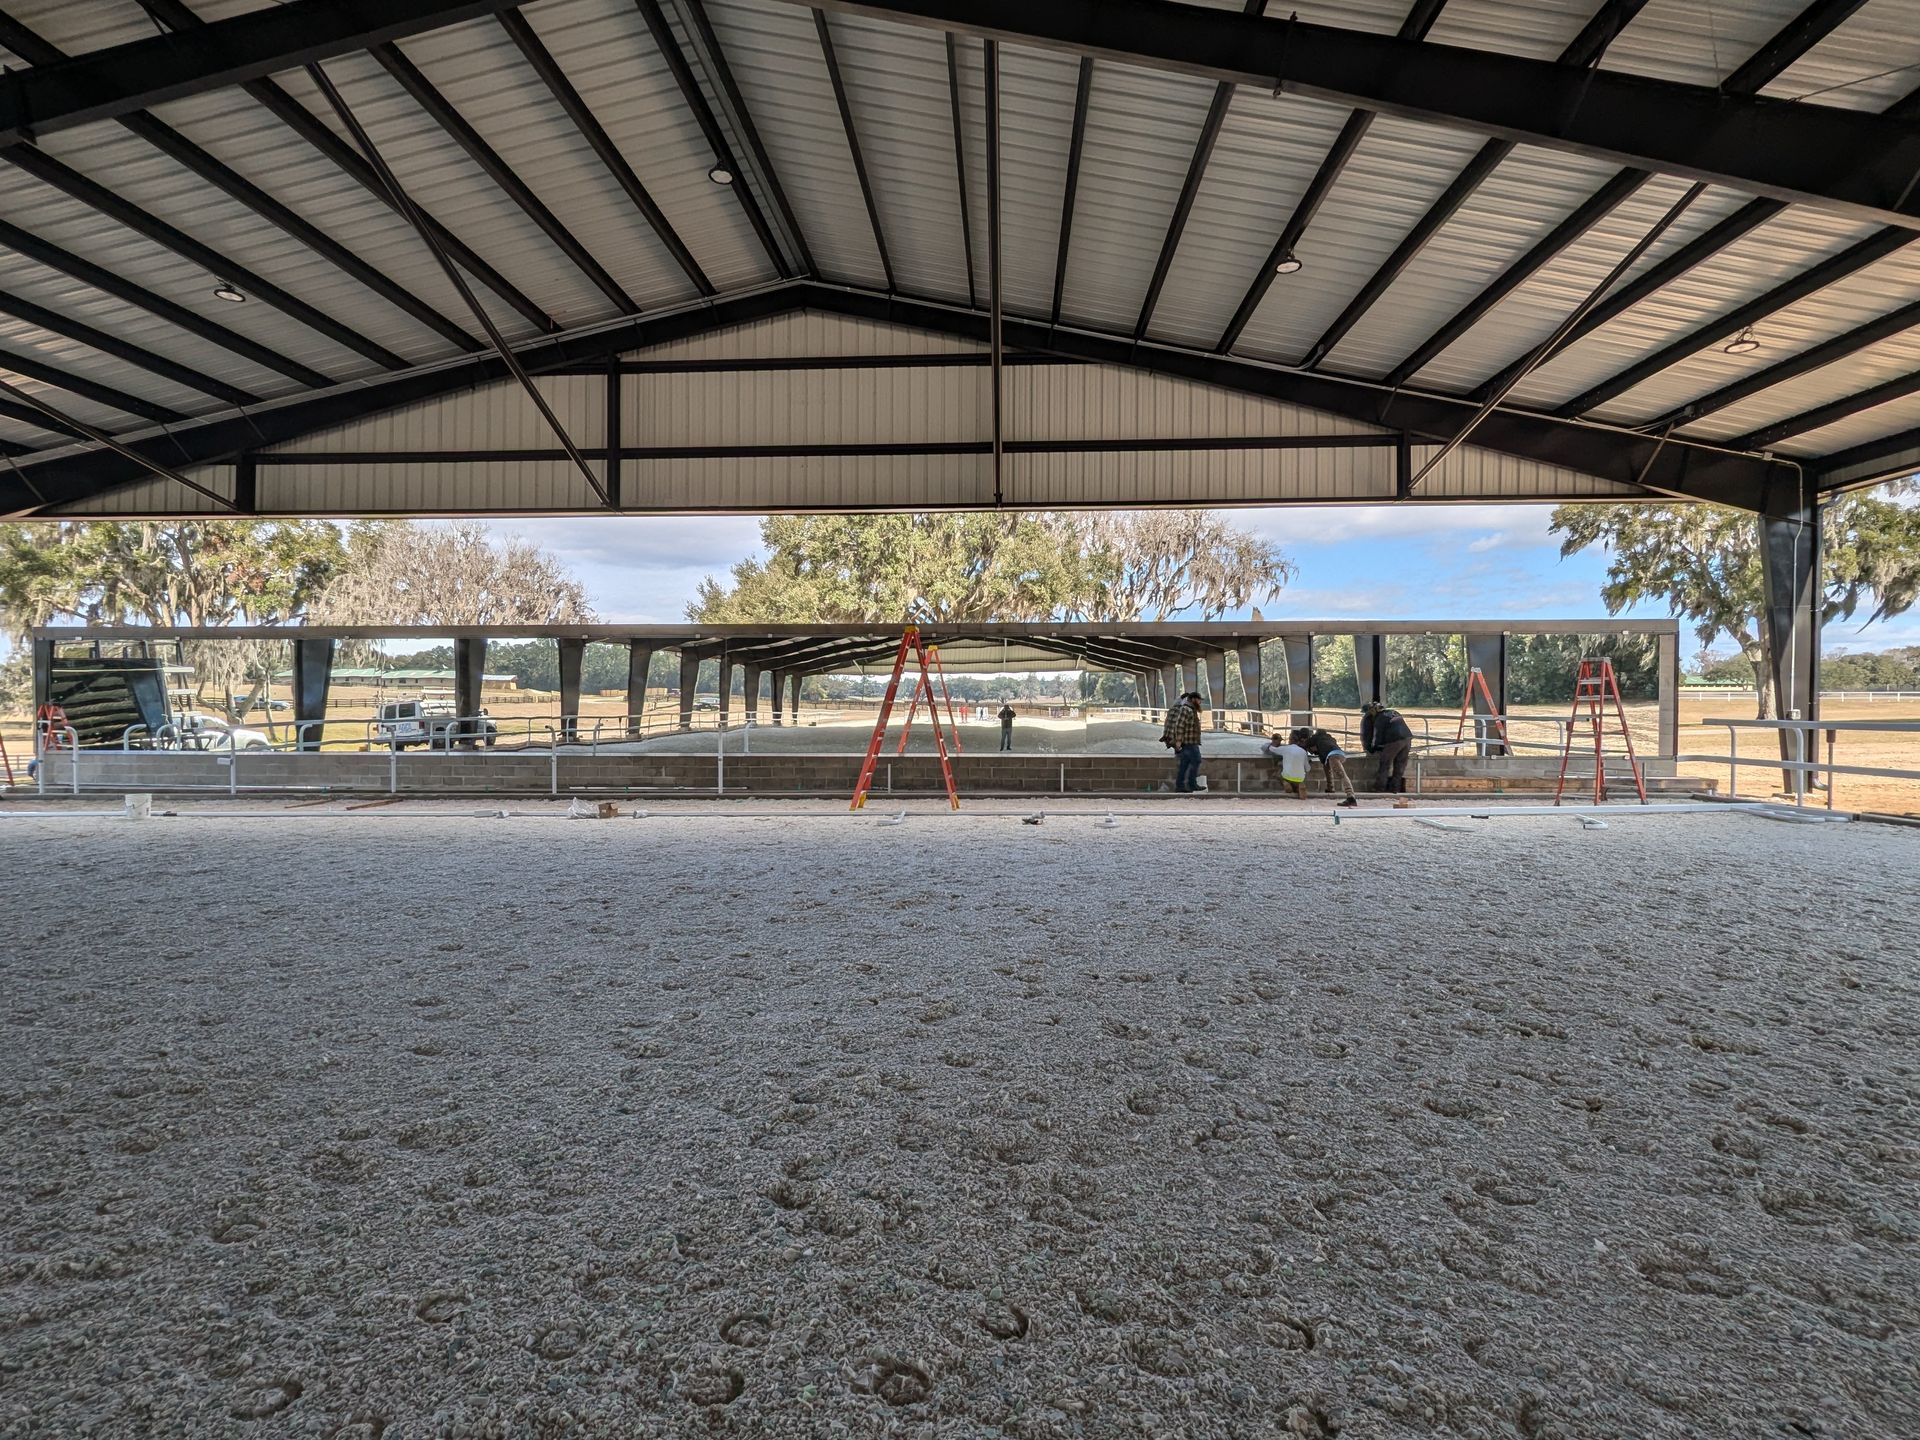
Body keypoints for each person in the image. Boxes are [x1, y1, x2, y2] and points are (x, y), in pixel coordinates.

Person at [1291, 725, 1359, 807]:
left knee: (1342, 775)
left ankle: (1351, 797)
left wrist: (1295, 745)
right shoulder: (1329, 739)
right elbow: (1323, 754)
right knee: (1327, 767)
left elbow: (1305, 745)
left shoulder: (1316, 738)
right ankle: (1330, 788)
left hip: (1333, 756)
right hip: (1340, 754)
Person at [1360, 700, 1413, 794]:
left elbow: (1377, 736)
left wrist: (1374, 748)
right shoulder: (1393, 712)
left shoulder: (1379, 719)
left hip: (1394, 740)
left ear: (1372, 710)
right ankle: (1395, 788)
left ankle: (1379, 788)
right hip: (1407, 738)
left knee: (1385, 764)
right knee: (1400, 765)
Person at [1160, 691, 1203, 793]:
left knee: (1184, 764)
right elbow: (1180, 726)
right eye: (1198, 700)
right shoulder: (1186, 709)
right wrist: (1178, 742)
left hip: (1190, 742)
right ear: (1193, 699)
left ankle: (1181, 785)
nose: (1200, 702)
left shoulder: (1190, 709)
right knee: (1196, 760)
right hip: (1188, 742)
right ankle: (1191, 784)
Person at [1261, 731, 1310, 798]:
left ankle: (1286, 783)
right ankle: (1299, 786)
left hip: (1288, 777)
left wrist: (1273, 743)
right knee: (1299, 776)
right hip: (1300, 778)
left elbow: (1271, 749)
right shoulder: (1303, 751)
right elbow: (1308, 768)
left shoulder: (1285, 749)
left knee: (1278, 774)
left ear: (1290, 740)